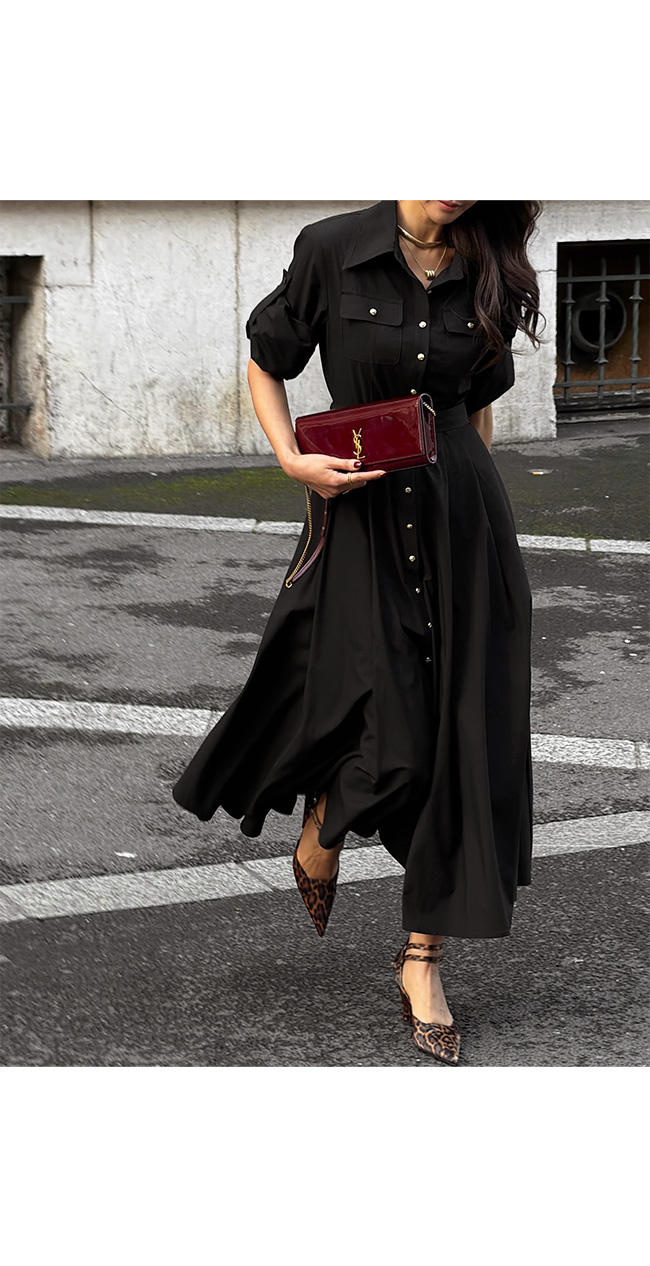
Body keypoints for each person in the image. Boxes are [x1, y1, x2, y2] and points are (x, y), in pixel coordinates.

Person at [172, 199, 543, 1065]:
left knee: (461, 737)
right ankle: (325, 826)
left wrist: (474, 526)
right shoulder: (332, 249)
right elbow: (268, 362)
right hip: (361, 517)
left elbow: (475, 413)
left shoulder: (487, 260)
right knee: (393, 733)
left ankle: (423, 963)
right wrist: (291, 458)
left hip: (461, 523)